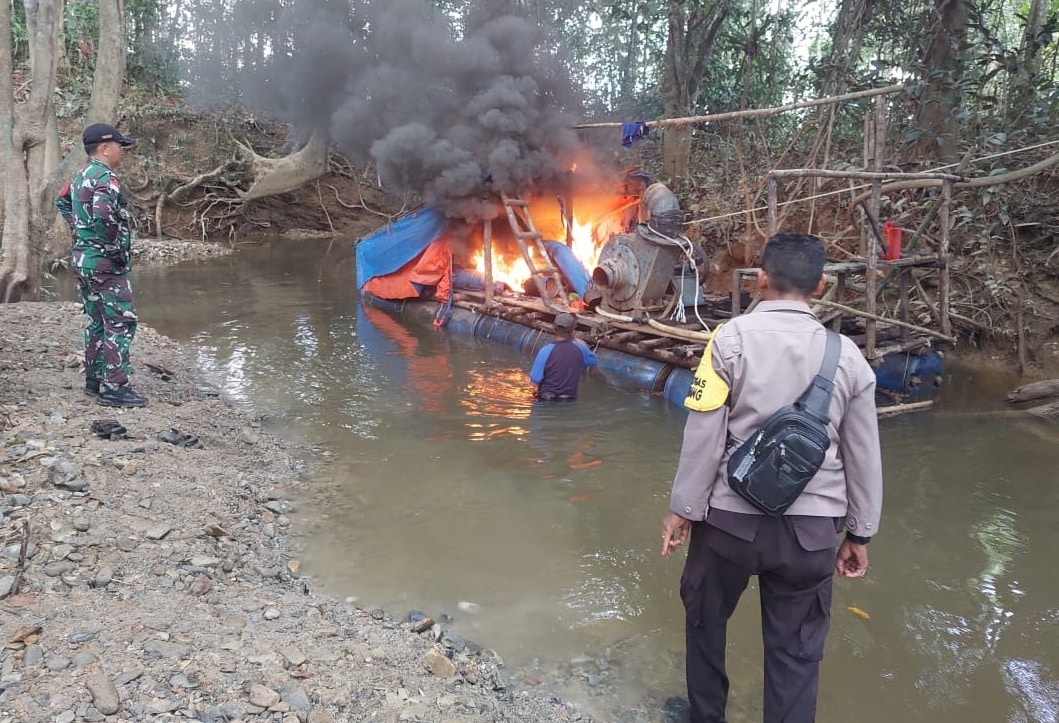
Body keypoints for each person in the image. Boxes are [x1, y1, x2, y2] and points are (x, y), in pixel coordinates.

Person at [660, 232, 882, 723]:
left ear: (761, 279)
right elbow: (863, 454)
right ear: (821, 285)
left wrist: (682, 509)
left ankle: (706, 716)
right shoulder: (848, 358)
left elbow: (703, 435)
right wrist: (860, 532)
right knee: (796, 654)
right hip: (810, 536)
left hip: (727, 527)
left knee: (705, 623)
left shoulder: (729, 340)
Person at [56, 123, 147, 407]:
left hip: (84, 260)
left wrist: (80, 229)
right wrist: (114, 248)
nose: (122, 151)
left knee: (97, 321)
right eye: (120, 146)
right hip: (105, 264)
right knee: (120, 322)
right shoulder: (106, 178)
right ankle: (115, 388)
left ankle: (94, 381)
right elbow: (104, 217)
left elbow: (61, 201)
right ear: (105, 148)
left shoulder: (82, 175)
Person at [529, 312, 597, 401]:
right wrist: (575, 339)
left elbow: (534, 381)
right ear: (572, 331)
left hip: (546, 400)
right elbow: (593, 360)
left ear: (554, 328)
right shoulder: (581, 349)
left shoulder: (545, 351)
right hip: (569, 399)